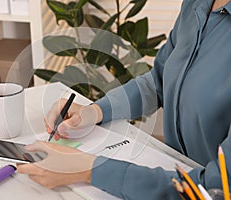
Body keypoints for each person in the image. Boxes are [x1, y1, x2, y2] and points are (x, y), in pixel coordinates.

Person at [17, 0, 231, 199]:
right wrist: (96, 111)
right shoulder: (196, 5)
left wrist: (90, 169)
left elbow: (216, 185)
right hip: (170, 167)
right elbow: (158, 81)